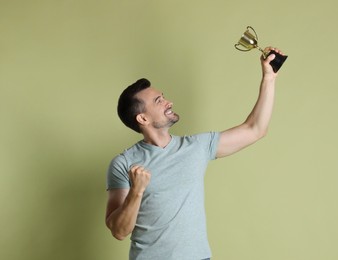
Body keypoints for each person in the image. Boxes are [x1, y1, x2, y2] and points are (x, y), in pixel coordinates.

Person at [105, 47, 284, 260]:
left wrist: (269, 78)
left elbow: (255, 129)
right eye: (158, 101)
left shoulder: (196, 147)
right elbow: (119, 231)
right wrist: (137, 191)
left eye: (163, 97)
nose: (168, 102)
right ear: (143, 119)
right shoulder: (124, 163)